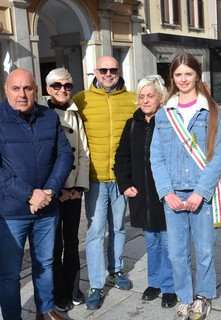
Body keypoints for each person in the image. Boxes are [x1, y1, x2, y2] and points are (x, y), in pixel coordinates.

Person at [150, 53, 221, 320]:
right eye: (178, 75)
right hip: (173, 194)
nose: (183, 79)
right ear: (172, 78)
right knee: (177, 252)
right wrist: (166, 192)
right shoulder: (164, 114)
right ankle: (185, 298)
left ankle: (203, 296)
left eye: (188, 73)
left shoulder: (211, 111)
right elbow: (157, 156)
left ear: (197, 75)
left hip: (201, 194)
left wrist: (200, 192)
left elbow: (218, 155)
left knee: (205, 250)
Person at [0, 69, 74, 320]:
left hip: (46, 209)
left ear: (35, 90)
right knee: (9, 273)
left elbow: (64, 154)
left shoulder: (48, 117)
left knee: (46, 263)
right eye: (16, 88)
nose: (22, 94)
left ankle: (45, 310)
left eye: (27, 88)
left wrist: (50, 191)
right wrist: (30, 195)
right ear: (6, 90)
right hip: (10, 212)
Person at [72, 56, 136, 310]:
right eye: (103, 70)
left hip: (121, 178)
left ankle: (116, 270)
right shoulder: (81, 100)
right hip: (95, 178)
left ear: (118, 71)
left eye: (112, 70)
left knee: (119, 227)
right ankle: (96, 284)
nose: (108, 74)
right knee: (96, 230)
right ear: (95, 72)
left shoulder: (131, 99)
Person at [114, 75, 177, 309]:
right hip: (142, 196)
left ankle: (170, 286)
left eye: (150, 96)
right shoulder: (132, 125)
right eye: (142, 96)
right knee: (151, 241)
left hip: (165, 194)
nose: (146, 100)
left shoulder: (169, 121)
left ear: (160, 97)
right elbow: (122, 158)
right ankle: (155, 283)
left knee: (169, 243)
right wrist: (125, 183)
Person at [41, 68, 90, 312]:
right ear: (48, 89)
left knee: (72, 241)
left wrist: (79, 186)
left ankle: (73, 287)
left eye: (67, 86)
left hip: (74, 191)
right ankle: (58, 292)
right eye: (57, 86)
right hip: (53, 191)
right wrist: (55, 189)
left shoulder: (75, 114)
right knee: (54, 245)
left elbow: (82, 152)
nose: (63, 90)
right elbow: (42, 158)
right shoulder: (41, 115)